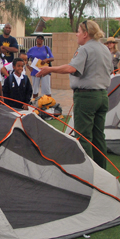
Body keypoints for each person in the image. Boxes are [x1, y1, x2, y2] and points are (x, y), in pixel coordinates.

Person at [37, 20, 112, 169]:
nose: (76, 34)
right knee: (98, 137)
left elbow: (71, 68)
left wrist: (49, 70)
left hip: (86, 97)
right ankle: (102, 172)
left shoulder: (84, 49)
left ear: (85, 34)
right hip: (102, 95)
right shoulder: (105, 49)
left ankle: (88, 173)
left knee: (83, 136)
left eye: (78, 31)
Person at [27, 35, 54, 101]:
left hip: (45, 70)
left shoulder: (46, 48)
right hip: (35, 71)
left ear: (43, 40)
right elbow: (25, 58)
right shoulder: (32, 49)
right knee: (35, 89)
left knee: (46, 88)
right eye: (38, 38)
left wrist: (45, 60)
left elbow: (52, 58)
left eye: (41, 39)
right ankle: (35, 102)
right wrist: (28, 66)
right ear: (36, 40)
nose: (40, 40)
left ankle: (48, 102)